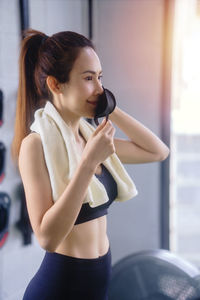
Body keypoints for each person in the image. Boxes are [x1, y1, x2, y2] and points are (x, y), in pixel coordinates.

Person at [11, 29, 169, 300]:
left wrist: (109, 105)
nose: (98, 87)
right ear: (56, 84)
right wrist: (88, 164)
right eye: (88, 78)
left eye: (100, 77)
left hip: (97, 285)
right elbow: (47, 238)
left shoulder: (90, 138)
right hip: (60, 288)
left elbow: (157, 151)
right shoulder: (35, 146)